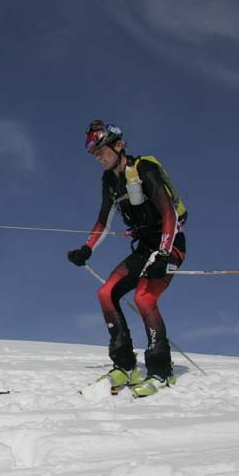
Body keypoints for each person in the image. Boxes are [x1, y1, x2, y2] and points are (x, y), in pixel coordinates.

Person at [67, 120, 187, 397]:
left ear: (118, 145)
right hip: (145, 248)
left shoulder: (144, 170)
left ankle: (161, 370)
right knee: (106, 293)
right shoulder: (110, 180)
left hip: (170, 244)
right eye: (95, 154)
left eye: (101, 151)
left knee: (144, 297)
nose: (98, 158)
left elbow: (169, 214)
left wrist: (164, 254)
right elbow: (103, 220)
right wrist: (87, 249)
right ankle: (125, 366)